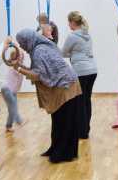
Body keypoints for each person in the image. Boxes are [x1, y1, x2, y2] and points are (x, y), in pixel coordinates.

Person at [6, 29, 82, 163]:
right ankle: (55, 149)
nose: (22, 46)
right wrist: (19, 66)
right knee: (58, 121)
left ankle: (63, 154)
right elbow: (37, 71)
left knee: (64, 121)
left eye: (22, 43)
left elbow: (38, 75)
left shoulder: (39, 51)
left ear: (28, 40)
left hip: (66, 86)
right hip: (64, 85)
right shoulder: (39, 48)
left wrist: (18, 68)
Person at [61, 11, 97, 139]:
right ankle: (85, 129)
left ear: (72, 22)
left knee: (80, 102)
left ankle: (82, 132)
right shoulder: (87, 34)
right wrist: (76, 54)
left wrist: (73, 54)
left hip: (81, 72)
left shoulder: (72, 36)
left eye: (68, 22)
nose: (68, 25)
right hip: (92, 70)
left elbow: (63, 53)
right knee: (86, 100)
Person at [3, 58, 25, 133]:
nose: (21, 60)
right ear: (13, 60)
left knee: (11, 109)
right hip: (7, 90)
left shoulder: (19, 68)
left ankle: (8, 126)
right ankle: (18, 120)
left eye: (21, 58)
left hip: (13, 92)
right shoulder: (13, 67)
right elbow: (16, 68)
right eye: (19, 58)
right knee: (13, 107)